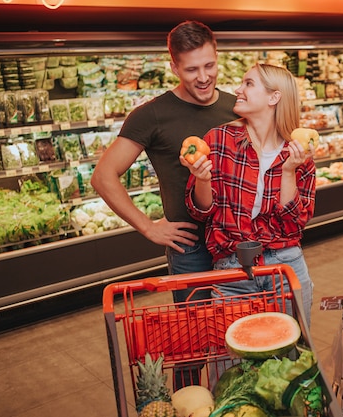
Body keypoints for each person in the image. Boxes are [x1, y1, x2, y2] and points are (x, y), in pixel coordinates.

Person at [91, 21, 238, 303]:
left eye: (209, 65)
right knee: (197, 333)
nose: (204, 77)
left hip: (235, 240)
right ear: (174, 68)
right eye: (192, 69)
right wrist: (148, 227)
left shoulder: (236, 107)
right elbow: (103, 175)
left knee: (240, 327)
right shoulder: (152, 115)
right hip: (191, 247)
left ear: (217, 58)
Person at [180, 63, 316, 325]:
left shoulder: (299, 152)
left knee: (292, 357)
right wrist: (202, 179)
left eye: (248, 84)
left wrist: (288, 171)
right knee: (230, 361)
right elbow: (201, 211)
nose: (237, 89)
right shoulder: (219, 139)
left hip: (285, 267)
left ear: (274, 97)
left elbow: (295, 223)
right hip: (231, 270)